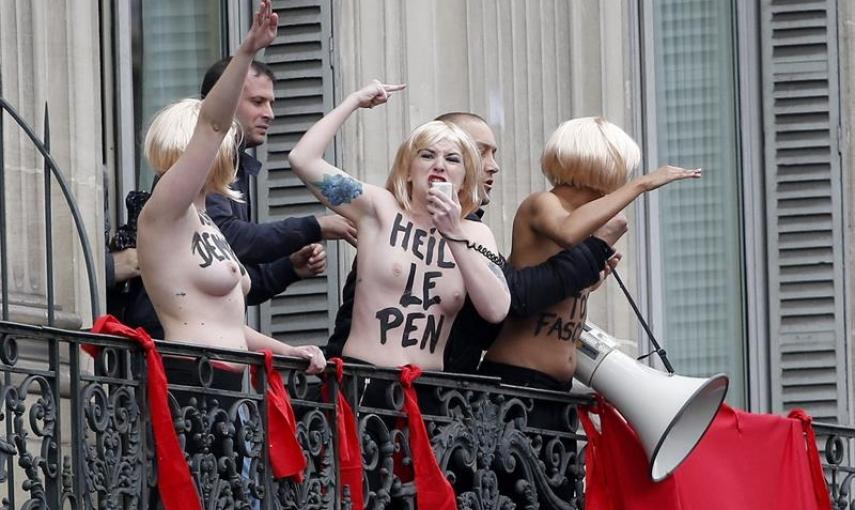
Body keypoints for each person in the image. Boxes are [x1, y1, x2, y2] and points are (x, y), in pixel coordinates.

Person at [326, 112, 627, 373]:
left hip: (436, 393)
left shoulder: (472, 230)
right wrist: (593, 251)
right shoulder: (389, 219)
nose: (492, 165)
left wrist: (587, 275)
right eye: (480, 152)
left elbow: (496, 312)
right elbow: (519, 296)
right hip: (367, 382)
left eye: (492, 154)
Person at [137, 1, 325, 372]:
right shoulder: (168, 211)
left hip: (223, 387)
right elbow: (212, 125)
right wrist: (248, 50)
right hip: (192, 381)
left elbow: (224, 324)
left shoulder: (207, 217)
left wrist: (286, 350)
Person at [116, 53, 357, 340]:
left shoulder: (227, 174)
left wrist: (288, 268)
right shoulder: (186, 184)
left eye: (271, 103)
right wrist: (315, 226)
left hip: (208, 359)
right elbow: (232, 236)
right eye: (257, 102)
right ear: (224, 101)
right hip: (175, 353)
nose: (270, 113)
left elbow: (231, 284)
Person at [288, 81, 511, 372]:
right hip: (366, 385)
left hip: (428, 394)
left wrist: (454, 234)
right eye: (427, 155)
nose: (439, 165)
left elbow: (496, 310)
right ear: (408, 170)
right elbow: (302, 159)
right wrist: (353, 101)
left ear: (466, 176)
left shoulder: (477, 235)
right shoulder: (379, 207)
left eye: (452, 159)